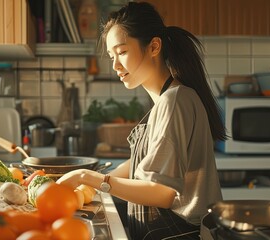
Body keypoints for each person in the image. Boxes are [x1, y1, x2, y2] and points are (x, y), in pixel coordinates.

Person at [56, 2, 227, 239]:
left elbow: (162, 192)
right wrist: (88, 181)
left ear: (154, 46)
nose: (115, 65)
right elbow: (141, 166)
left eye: (122, 52)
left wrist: (89, 178)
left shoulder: (174, 101)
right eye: (111, 56)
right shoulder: (170, 99)